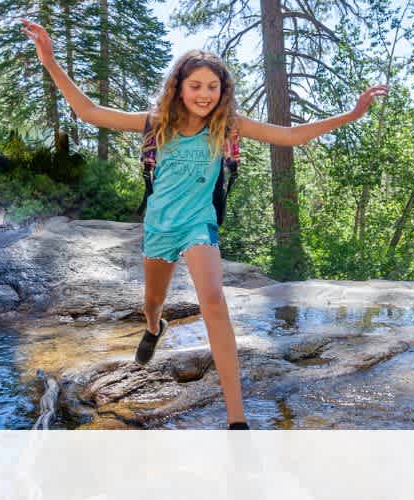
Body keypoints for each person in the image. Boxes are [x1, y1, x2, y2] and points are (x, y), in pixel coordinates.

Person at [20, 18, 387, 430]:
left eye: (212, 87)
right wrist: (50, 60)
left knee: (213, 302)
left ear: (222, 91)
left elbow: (289, 137)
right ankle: (154, 327)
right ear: (179, 87)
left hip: (200, 225)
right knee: (152, 302)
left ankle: (237, 420)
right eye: (195, 85)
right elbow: (89, 112)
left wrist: (353, 113)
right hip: (160, 227)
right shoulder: (156, 122)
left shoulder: (227, 125)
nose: (204, 94)